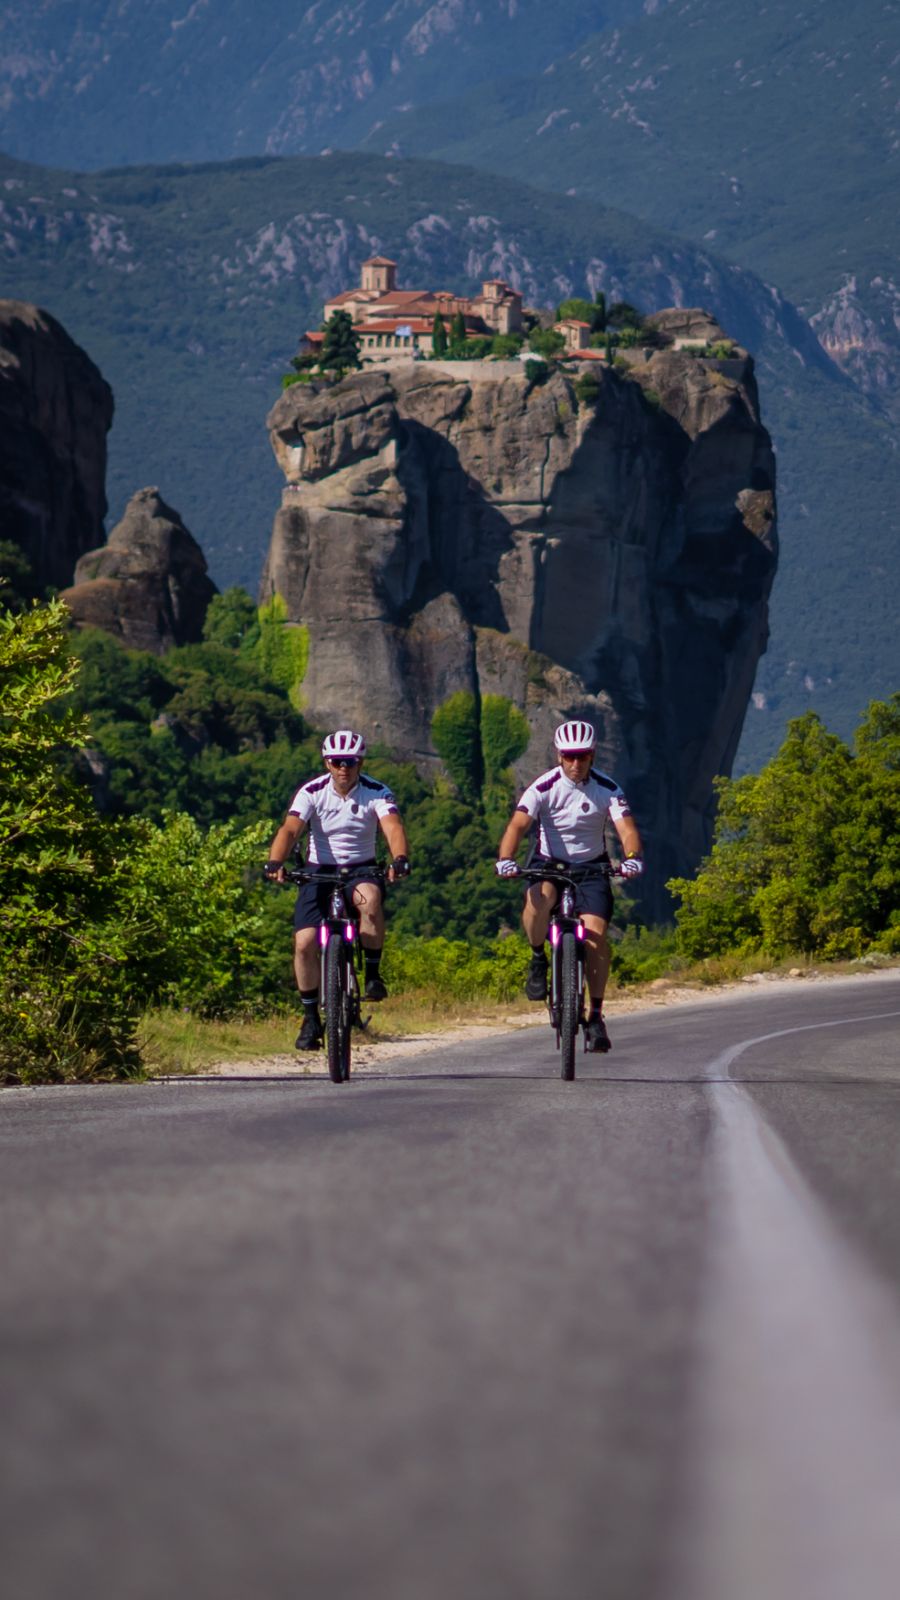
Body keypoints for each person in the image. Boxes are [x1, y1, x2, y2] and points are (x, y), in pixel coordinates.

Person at [494, 720, 643, 1053]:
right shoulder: (543, 787)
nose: (576, 764)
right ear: (559, 756)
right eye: (570, 757)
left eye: (583, 756)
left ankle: (596, 1016)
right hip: (549, 864)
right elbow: (518, 825)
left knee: (595, 938)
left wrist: (632, 857)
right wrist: (506, 858)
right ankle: (537, 958)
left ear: (592, 755)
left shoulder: (608, 788)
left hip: (592, 868)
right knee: (540, 897)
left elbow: (627, 829)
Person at [265, 729, 410, 1052]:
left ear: (360, 763)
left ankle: (372, 973)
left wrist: (399, 859)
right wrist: (276, 861)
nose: (343, 768)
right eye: (336, 762)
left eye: (351, 762)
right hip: (319, 870)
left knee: (370, 901)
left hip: (361, 869)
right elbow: (291, 829)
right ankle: (310, 1018)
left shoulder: (377, 792)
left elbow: (393, 827)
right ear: (327, 763)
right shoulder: (312, 791)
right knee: (304, 943)